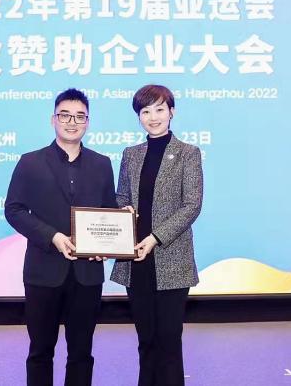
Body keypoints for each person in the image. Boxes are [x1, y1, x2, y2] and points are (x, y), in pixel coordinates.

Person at [4, 88, 116, 386]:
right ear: (53, 119)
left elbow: (109, 212)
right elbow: (14, 210)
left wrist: (106, 243)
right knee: (40, 351)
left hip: (87, 273)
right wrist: (52, 236)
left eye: (79, 116)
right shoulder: (30, 162)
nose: (72, 122)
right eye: (65, 115)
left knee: (82, 353)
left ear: (87, 122)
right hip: (43, 271)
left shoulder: (102, 164)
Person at [110, 84, 203, 386]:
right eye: (145, 111)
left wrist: (154, 238)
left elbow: (192, 205)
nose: (153, 117)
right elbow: (121, 196)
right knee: (146, 339)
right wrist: (122, 213)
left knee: (169, 340)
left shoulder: (188, 153)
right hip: (135, 259)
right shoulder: (131, 154)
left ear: (171, 112)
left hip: (171, 259)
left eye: (159, 109)